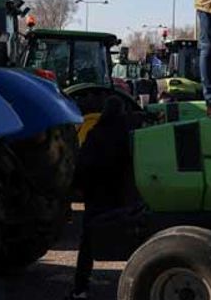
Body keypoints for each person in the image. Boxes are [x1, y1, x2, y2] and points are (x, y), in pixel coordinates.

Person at [68, 96, 133, 299]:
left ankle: (80, 287)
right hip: (119, 196)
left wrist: (77, 188)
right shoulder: (126, 136)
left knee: (87, 243)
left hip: (96, 195)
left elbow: (83, 164)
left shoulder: (95, 134)